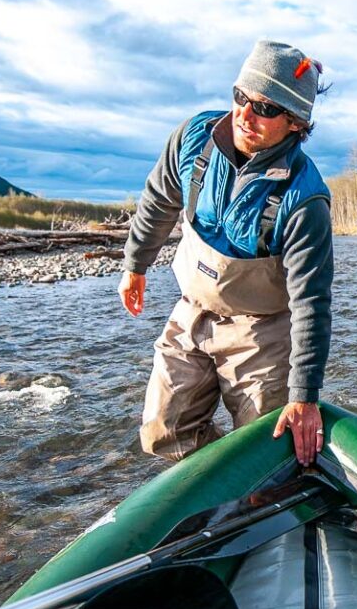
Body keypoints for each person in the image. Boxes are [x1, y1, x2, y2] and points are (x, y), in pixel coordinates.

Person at [117, 40, 332, 467]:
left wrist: (304, 397)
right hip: (192, 310)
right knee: (162, 434)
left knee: (265, 452)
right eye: (240, 97)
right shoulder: (193, 138)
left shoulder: (305, 201)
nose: (244, 115)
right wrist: (135, 265)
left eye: (265, 108)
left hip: (262, 332)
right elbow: (159, 200)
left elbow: (312, 303)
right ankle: (215, 491)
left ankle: (252, 495)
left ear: (295, 123)